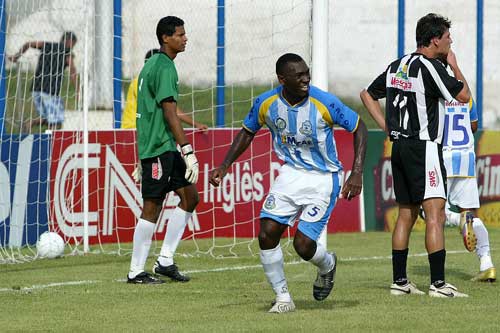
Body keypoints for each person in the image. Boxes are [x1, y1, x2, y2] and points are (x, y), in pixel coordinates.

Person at [210, 53, 368, 313]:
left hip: (323, 178)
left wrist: (357, 171)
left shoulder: (324, 102)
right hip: (290, 174)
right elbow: (247, 132)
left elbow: (359, 127)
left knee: (303, 245)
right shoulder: (266, 103)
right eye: (299, 75)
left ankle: (327, 264)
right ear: (282, 79)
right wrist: (225, 165)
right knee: (267, 233)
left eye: (307, 73)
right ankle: (283, 298)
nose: (306, 79)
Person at [360, 13, 471, 298]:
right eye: (447, 37)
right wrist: (455, 66)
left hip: (400, 148)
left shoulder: (398, 65)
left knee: (406, 214)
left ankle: (400, 281)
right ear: (435, 40)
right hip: (424, 148)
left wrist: (388, 127)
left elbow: (367, 95)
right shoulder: (432, 66)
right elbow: (464, 96)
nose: (450, 41)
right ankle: (438, 285)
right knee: (434, 214)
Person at [127, 16, 199, 284]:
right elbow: (170, 113)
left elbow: (145, 113)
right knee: (152, 206)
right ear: (165, 38)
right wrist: (188, 150)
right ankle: (135, 270)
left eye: (184, 33)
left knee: (190, 197)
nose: (185, 38)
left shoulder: (151, 65)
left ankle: (165, 261)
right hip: (159, 148)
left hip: (161, 146)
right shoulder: (165, 67)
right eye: (180, 34)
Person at [438, 63, 495, 281]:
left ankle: (457, 219)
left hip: (444, 158)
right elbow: (473, 126)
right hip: (466, 159)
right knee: (471, 213)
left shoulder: (439, 97)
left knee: (430, 212)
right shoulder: (467, 97)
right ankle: (487, 264)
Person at [121, 48, 208, 131]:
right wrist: (195, 124)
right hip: (134, 129)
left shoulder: (140, 79)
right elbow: (171, 109)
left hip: (141, 128)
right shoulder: (146, 81)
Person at [9, 31, 78, 130]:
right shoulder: (67, 53)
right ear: (69, 41)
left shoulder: (46, 45)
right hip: (50, 91)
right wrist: (77, 90)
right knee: (56, 122)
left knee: (49, 119)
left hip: (36, 89)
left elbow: (28, 44)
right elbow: (72, 71)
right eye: (73, 44)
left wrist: (16, 56)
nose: (72, 47)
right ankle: (37, 129)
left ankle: (30, 124)